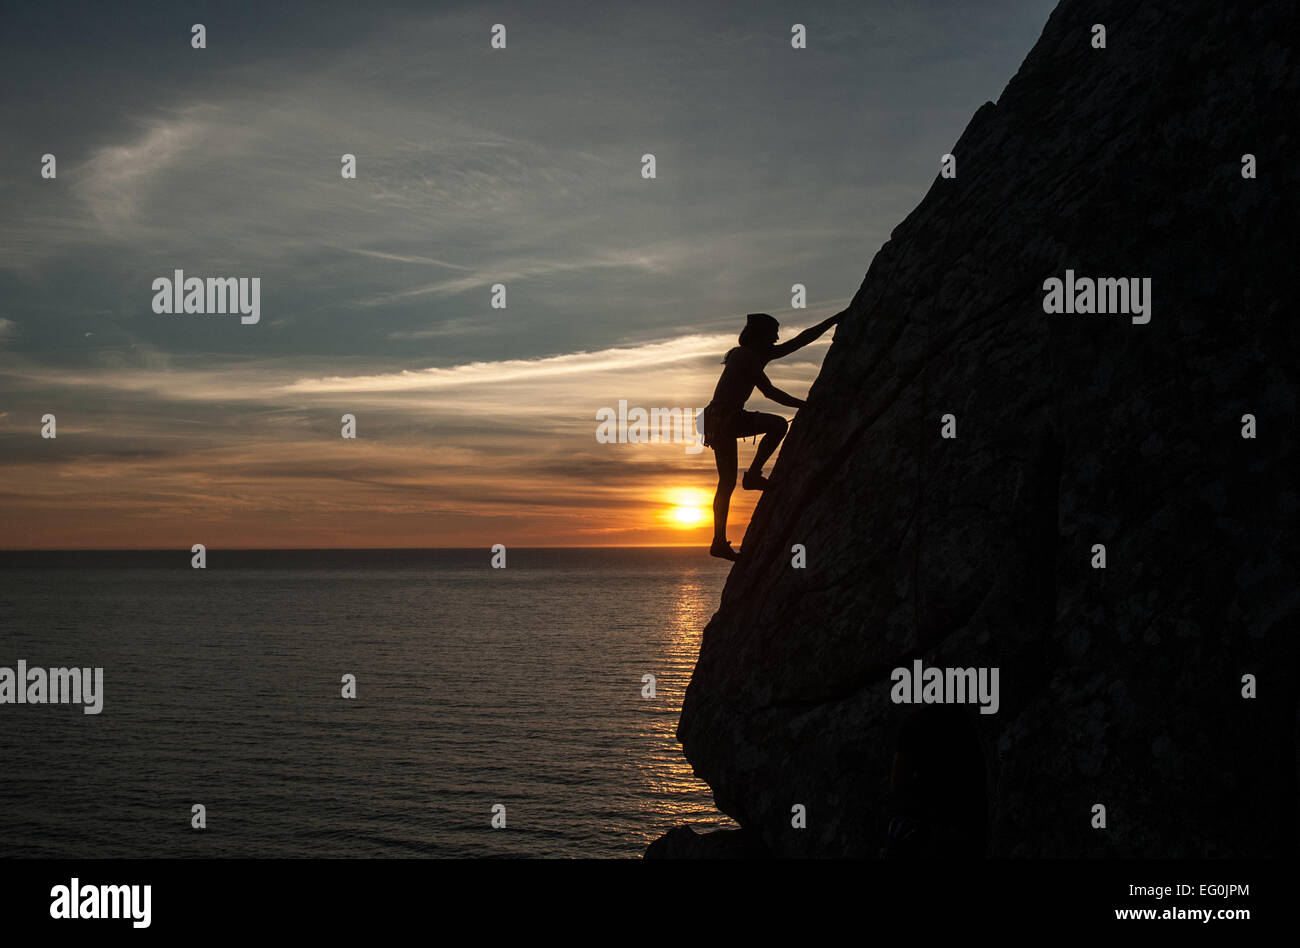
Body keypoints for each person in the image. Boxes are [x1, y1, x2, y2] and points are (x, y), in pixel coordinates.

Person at [702, 309, 843, 560]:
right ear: (761, 335)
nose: (777, 338)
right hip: (726, 419)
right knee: (778, 425)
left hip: (717, 421)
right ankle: (753, 476)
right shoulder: (746, 357)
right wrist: (806, 406)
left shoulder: (753, 354)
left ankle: (719, 541)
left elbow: (800, 340)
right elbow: (770, 392)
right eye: (773, 334)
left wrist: (833, 320)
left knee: (725, 484)